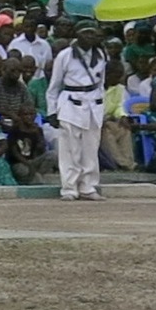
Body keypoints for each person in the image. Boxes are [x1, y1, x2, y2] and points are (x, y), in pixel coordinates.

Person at [49, 22, 112, 199]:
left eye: (93, 33)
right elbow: (54, 86)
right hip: (71, 103)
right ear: (78, 35)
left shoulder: (100, 55)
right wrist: (52, 111)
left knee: (91, 148)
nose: (90, 37)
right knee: (70, 149)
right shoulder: (65, 56)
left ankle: (88, 187)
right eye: (86, 33)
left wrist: (102, 105)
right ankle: (69, 188)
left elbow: (101, 83)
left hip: (93, 104)